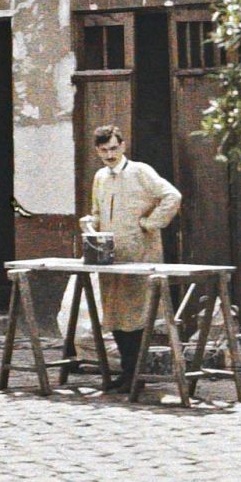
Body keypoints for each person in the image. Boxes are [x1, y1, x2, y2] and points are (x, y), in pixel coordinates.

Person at [81, 125, 182, 392]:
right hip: (110, 257)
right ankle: (127, 373)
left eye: (114, 148)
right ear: (97, 151)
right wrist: (91, 222)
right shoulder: (100, 177)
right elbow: (98, 211)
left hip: (139, 254)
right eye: (103, 150)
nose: (109, 155)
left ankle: (137, 374)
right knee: (115, 314)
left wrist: (151, 223)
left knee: (137, 316)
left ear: (123, 146)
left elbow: (172, 196)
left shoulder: (141, 171)